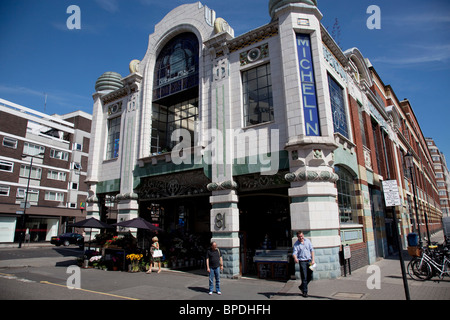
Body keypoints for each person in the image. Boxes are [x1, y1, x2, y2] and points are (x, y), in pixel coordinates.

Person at [292, 231, 315, 297]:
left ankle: (302, 286)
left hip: (310, 261)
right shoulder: (296, 244)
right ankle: (305, 292)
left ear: (303, 235)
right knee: (304, 276)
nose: (301, 237)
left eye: (301, 236)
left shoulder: (307, 241)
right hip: (302, 262)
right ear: (297, 237)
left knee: (310, 276)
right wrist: (295, 258)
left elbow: (312, 250)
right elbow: (294, 253)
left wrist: (313, 260)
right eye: (299, 237)